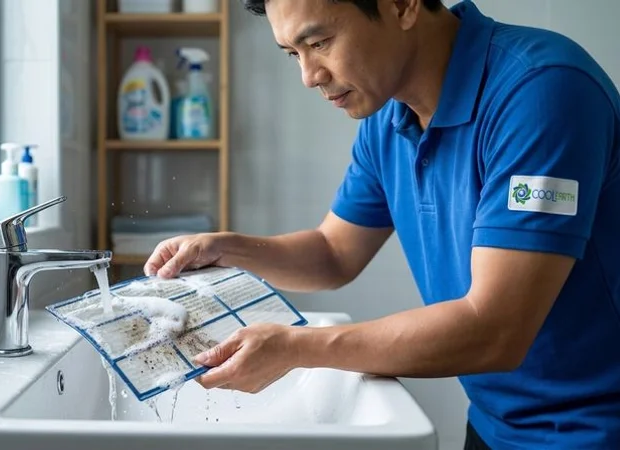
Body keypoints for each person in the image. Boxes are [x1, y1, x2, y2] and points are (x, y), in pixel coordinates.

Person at [142, 0, 620, 448]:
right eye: (293, 53)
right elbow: (333, 254)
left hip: (596, 429)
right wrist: (224, 248)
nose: (308, 76)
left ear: (403, 5)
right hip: (496, 426)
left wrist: (294, 347)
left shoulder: (543, 92)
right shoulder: (388, 118)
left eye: (319, 42)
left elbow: (495, 328)